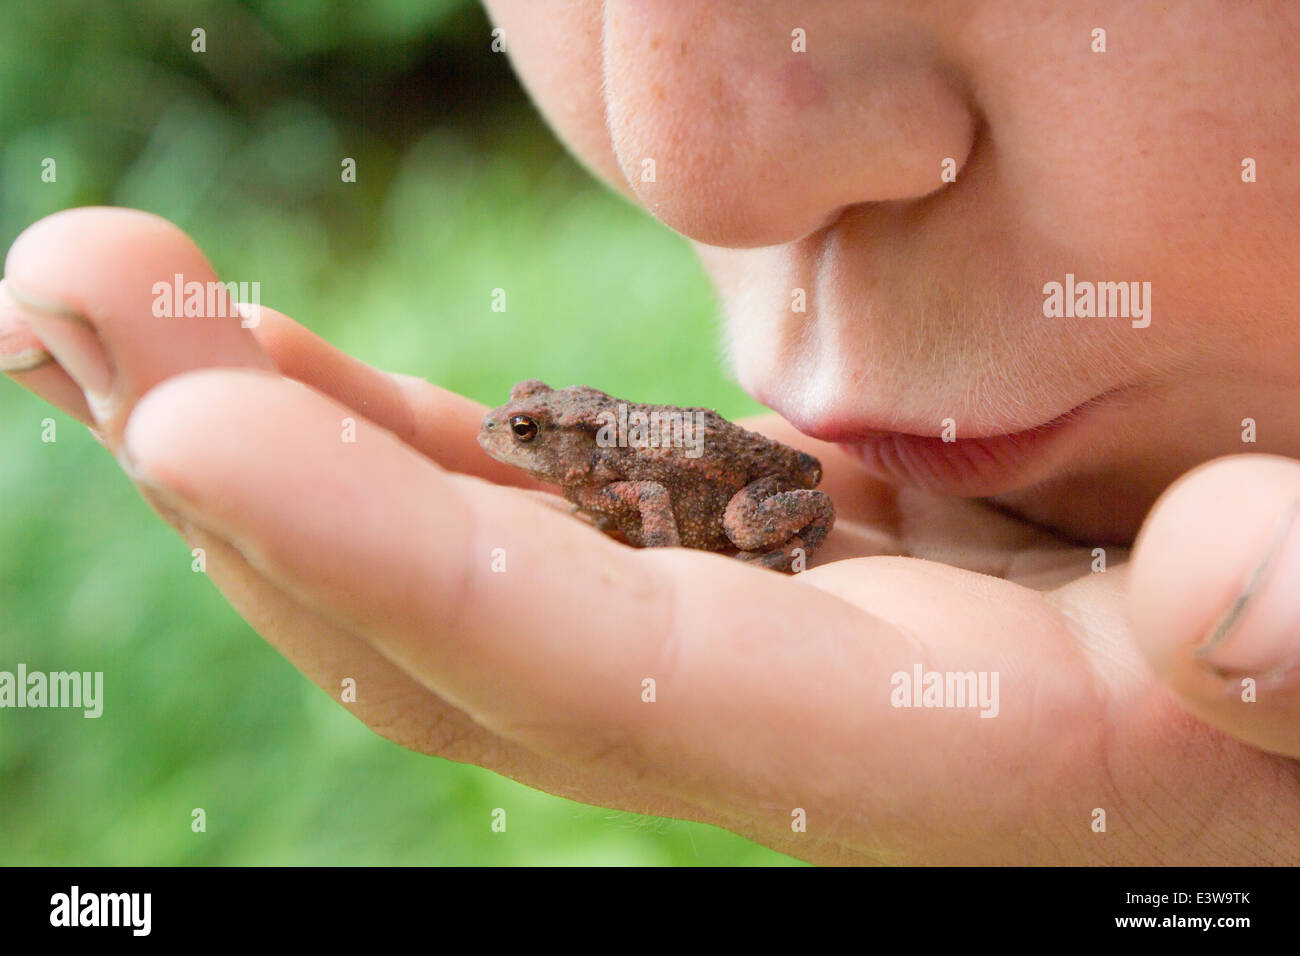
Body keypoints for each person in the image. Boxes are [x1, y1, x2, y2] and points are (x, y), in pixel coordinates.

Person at [1, 1, 1297, 864]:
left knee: (747, 512)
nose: (692, 169)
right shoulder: (591, 455)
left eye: (533, 439)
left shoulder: (616, 471)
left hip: (762, 497)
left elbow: (690, 509)